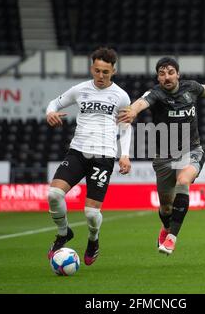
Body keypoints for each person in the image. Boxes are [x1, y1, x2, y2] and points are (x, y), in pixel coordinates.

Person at [118, 57, 205, 255]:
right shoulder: (155, 93)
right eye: (162, 73)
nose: (167, 77)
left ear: (178, 74)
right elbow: (140, 103)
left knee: (183, 180)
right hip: (164, 155)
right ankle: (166, 228)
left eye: (171, 72)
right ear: (158, 76)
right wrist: (132, 111)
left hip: (192, 150)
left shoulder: (190, 88)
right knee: (166, 207)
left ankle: (172, 238)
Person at [46, 47, 132, 265]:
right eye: (97, 70)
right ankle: (64, 233)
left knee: (91, 214)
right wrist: (50, 113)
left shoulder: (121, 96)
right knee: (54, 194)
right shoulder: (80, 89)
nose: (100, 76)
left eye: (105, 71)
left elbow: (126, 127)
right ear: (91, 68)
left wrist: (125, 155)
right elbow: (54, 103)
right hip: (77, 152)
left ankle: (93, 240)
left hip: (103, 156)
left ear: (114, 70)